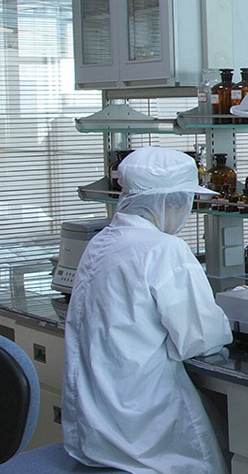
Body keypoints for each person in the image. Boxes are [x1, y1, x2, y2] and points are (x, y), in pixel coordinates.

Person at [63, 147, 233, 474]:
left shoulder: (101, 242)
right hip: (143, 432)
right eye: (186, 201)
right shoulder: (164, 249)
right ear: (170, 202)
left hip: (96, 430)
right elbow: (201, 338)